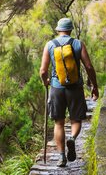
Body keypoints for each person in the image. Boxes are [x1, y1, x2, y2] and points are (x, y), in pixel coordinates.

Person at [39, 18, 99, 167]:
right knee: (76, 120)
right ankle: (72, 138)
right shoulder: (78, 44)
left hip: (56, 88)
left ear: (58, 30)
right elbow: (89, 67)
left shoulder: (50, 45)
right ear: (71, 30)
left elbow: (43, 71)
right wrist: (94, 86)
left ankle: (61, 157)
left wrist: (45, 81)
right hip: (75, 88)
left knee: (59, 123)